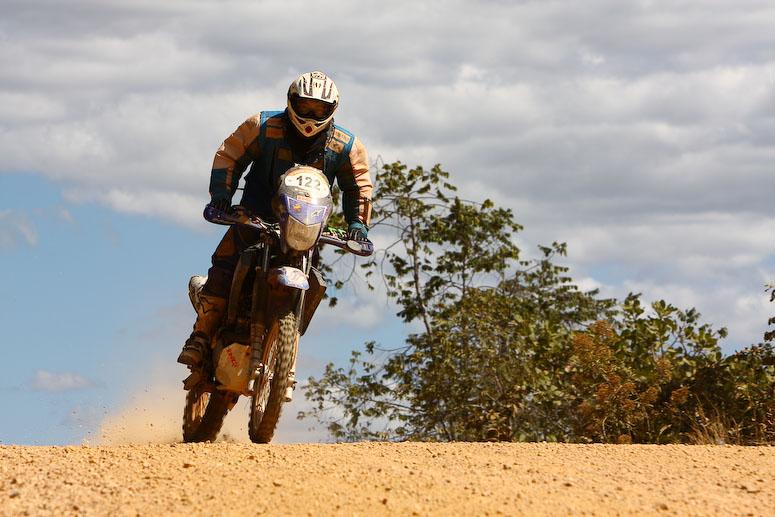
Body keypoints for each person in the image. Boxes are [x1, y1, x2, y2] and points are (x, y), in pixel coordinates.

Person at [178, 71, 372, 366]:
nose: (310, 115)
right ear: (291, 102)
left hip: (305, 229)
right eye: (306, 106)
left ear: (332, 109)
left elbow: (358, 185)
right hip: (254, 217)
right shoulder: (263, 125)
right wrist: (222, 197)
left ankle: (284, 342)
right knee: (227, 262)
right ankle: (200, 336)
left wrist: (357, 226)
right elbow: (230, 155)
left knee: (315, 279)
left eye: (319, 109)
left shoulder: (346, 146)